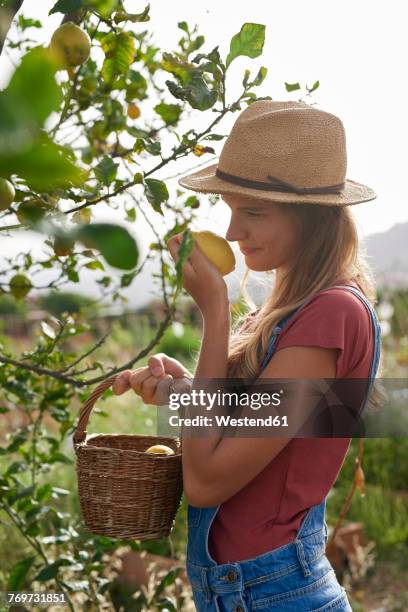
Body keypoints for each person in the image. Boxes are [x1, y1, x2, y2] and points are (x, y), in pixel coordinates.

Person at [112, 101, 383, 611]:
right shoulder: (279, 316)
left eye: (252, 213)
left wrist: (216, 312)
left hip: (278, 594)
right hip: (242, 591)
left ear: (313, 219)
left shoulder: (331, 316)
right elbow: (226, 435)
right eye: (232, 211)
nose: (234, 232)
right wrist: (183, 393)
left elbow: (208, 481)